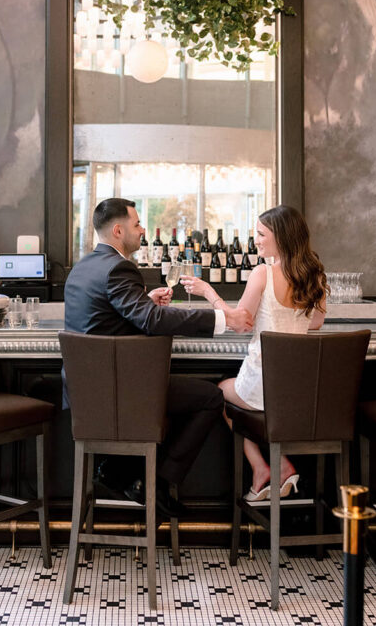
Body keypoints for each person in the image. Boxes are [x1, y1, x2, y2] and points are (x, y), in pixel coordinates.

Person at [63, 197, 253, 517]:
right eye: (137, 225)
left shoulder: (84, 266)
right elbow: (152, 321)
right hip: (120, 393)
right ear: (119, 230)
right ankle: (155, 481)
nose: (142, 230)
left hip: (86, 397)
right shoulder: (120, 267)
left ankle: (118, 469)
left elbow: (107, 316)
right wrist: (224, 320)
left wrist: (144, 300)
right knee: (211, 397)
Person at [182, 205, 327, 502]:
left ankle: (262, 466)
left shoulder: (263, 273)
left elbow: (240, 323)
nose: (256, 240)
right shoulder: (316, 276)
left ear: (282, 237)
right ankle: (276, 466)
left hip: (264, 385)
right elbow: (317, 322)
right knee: (231, 391)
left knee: (219, 392)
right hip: (301, 392)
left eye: (261, 234)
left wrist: (209, 292)